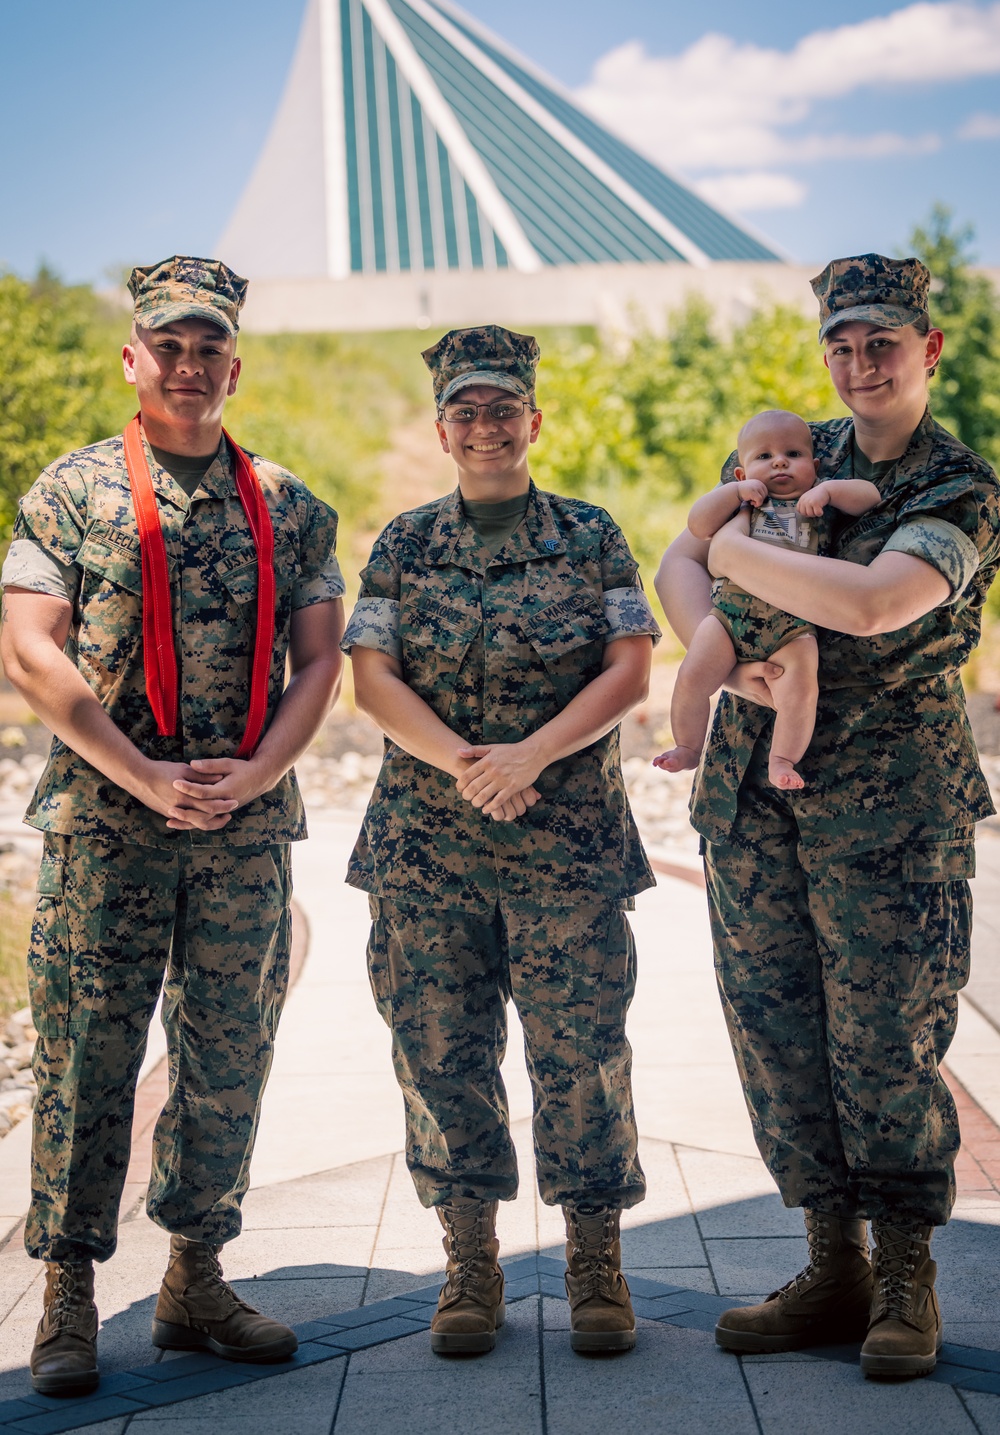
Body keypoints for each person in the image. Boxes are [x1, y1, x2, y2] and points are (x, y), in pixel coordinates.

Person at [0, 257, 346, 1396]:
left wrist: (253, 775)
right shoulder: (72, 489)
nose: (189, 366)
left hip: (240, 827)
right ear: (132, 359)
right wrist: (143, 773)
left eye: (209, 350)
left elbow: (321, 658)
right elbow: (27, 648)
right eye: (169, 347)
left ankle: (194, 1278)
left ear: (233, 365)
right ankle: (67, 1293)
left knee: (226, 1053)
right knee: (87, 1054)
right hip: (110, 819)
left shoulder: (290, 503)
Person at [656, 254, 1000, 1380]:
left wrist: (736, 550)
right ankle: (830, 1261)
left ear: (927, 348)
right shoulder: (788, 446)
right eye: (842, 345)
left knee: (888, 1040)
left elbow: (872, 604)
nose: (859, 365)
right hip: (758, 790)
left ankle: (905, 1276)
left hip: (890, 806)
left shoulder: (954, 485)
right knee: (774, 1028)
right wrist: (731, 653)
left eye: (883, 343)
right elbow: (675, 561)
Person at [341, 325, 660, 1358]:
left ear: (534, 419)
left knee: (582, 1054)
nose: (486, 426)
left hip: (562, 842)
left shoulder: (590, 533)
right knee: (440, 1054)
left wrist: (527, 756)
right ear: (442, 428)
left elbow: (627, 668)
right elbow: (371, 678)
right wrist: (466, 764)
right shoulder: (402, 543)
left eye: (503, 408)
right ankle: (469, 1261)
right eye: (466, 410)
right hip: (429, 849)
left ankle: (594, 1258)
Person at [654, 409, 879, 789]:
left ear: (814, 465)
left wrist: (828, 490)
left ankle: (782, 759)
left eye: (793, 454)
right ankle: (688, 745)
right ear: (742, 473)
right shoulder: (742, 504)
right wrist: (732, 493)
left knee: (800, 689)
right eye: (763, 457)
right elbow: (698, 525)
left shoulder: (818, 499)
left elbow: (869, 497)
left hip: (792, 623)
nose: (779, 461)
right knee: (693, 675)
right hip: (730, 615)